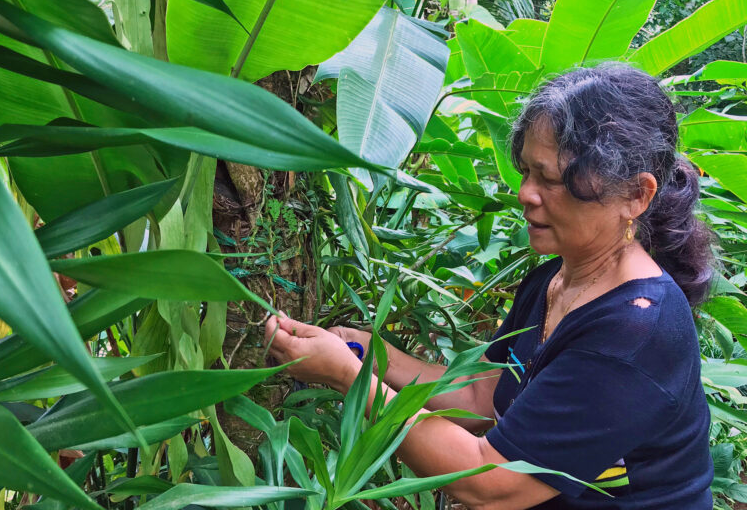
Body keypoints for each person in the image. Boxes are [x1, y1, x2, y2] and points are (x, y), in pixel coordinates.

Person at [265, 64, 715, 509]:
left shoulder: (633, 333)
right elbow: (482, 393)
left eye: (552, 180)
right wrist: (365, 350)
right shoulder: (555, 278)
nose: (525, 194)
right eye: (526, 173)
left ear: (637, 195)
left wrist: (349, 378)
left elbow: (490, 483)